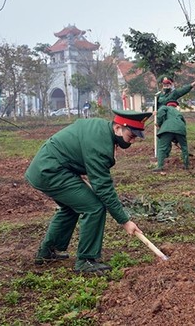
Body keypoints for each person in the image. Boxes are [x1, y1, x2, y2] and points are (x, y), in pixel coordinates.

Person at [25, 109, 152, 273]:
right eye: (131, 135)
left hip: (48, 168)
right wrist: (125, 221)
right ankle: (85, 260)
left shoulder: (100, 128)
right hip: (50, 172)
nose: (133, 141)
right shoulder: (100, 145)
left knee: (71, 208)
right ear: (118, 128)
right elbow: (103, 187)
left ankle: (46, 252)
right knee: (94, 207)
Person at [154, 101, 189, 172]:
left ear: (168, 105)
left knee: (162, 148)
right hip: (180, 129)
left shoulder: (165, 107)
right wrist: (176, 138)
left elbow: (160, 113)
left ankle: (160, 166)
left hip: (167, 128)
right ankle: (186, 165)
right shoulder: (178, 112)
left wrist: (159, 123)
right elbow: (183, 123)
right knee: (184, 147)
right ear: (175, 106)